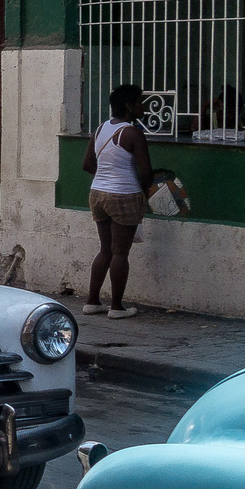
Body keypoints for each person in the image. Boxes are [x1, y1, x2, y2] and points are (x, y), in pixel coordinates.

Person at [82, 83, 152, 319]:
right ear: (130, 106)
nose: (143, 106)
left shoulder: (100, 129)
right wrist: (143, 187)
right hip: (124, 196)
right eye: (140, 102)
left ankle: (92, 302)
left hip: (97, 194)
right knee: (120, 253)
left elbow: (87, 165)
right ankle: (116, 307)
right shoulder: (133, 133)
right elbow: (146, 173)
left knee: (105, 249)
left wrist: (108, 179)